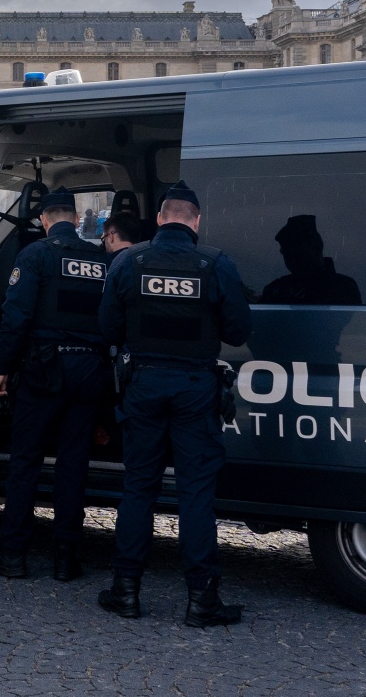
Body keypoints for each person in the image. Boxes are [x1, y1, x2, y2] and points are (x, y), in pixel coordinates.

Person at [98, 181, 252, 628]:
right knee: (196, 494)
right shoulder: (215, 263)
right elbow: (238, 331)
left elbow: (107, 329)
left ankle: (126, 591)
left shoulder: (128, 261)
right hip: (195, 388)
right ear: (196, 221)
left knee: (138, 489)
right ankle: (202, 600)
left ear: (161, 218)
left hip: (143, 385)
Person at [0, 188, 111, 582]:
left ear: (44, 220)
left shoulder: (36, 255)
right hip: (89, 369)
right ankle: (66, 559)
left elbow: (16, 316)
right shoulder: (99, 259)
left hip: (45, 369)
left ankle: (13, 554)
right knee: (73, 464)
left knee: (26, 461)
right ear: (76, 218)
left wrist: (1, 368)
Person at [257, 214, 361, 306]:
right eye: (285, 252)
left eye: (295, 251)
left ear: (316, 249)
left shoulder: (343, 287)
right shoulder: (277, 289)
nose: (290, 258)